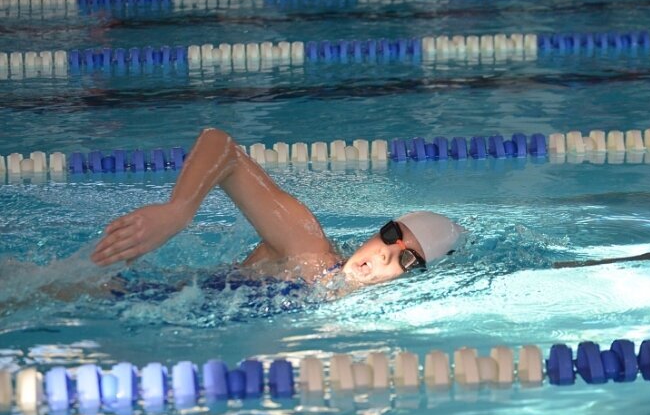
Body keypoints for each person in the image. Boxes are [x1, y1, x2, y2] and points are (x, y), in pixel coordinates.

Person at [90, 128, 464, 290]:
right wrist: (179, 210)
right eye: (390, 234)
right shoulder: (309, 250)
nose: (385, 253)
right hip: (122, 293)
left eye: (408, 260)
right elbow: (222, 147)